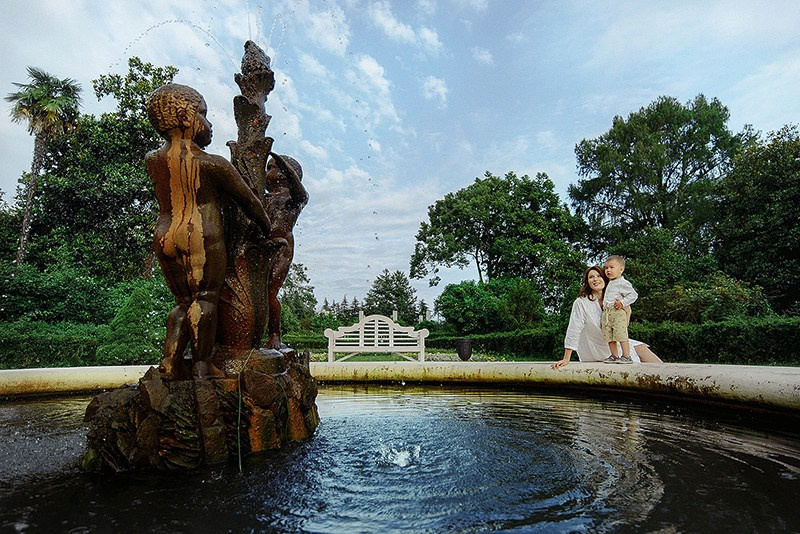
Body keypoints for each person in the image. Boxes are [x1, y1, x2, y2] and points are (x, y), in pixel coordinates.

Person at [145, 83, 278, 378]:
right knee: (204, 298)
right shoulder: (212, 164)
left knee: (182, 302)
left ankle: (170, 361)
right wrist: (266, 225)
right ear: (185, 118)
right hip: (200, 235)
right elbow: (249, 201)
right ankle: (203, 365)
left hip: (164, 235)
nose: (209, 123)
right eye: (203, 114)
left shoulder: (153, 160)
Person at [551, 266, 662, 369]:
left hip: (615, 341)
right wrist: (566, 358)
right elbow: (574, 328)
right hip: (596, 347)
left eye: (599, 276)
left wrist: (626, 308)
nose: (595, 279)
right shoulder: (581, 302)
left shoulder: (614, 299)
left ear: (605, 279)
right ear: (587, 282)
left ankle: (665, 375)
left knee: (641, 347)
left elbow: (623, 327)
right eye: (591, 277)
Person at [263, 152, 308, 349]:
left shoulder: (293, 198)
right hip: (261, 247)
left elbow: (300, 192)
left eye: (273, 167)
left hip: (282, 248)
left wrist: (281, 161)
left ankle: (274, 334)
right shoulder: (262, 197)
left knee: (269, 291)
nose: (267, 172)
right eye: (267, 167)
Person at [602, 255, 638, 363]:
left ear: (621, 269)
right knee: (609, 336)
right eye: (606, 268)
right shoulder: (610, 282)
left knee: (621, 334)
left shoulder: (623, 283)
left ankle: (626, 356)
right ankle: (614, 355)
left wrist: (622, 303)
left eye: (611, 267)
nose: (608, 270)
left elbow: (633, 295)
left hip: (617, 312)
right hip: (607, 313)